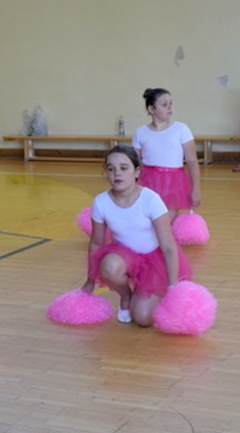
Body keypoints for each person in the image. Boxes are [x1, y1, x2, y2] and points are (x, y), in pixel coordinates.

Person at [82, 145, 191, 326]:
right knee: (109, 266)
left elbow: (168, 246)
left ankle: (155, 293)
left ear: (137, 172)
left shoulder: (151, 200)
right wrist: (90, 280)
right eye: (111, 169)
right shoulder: (101, 202)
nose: (117, 173)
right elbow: (96, 244)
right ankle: (126, 296)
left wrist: (173, 287)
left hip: (154, 260)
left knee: (143, 318)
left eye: (124, 168)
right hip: (125, 257)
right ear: (106, 173)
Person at [131, 88, 201, 218]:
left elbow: (192, 161)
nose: (169, 107)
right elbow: (134, 163)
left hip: (173, 182)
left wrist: (195, 189)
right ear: (151, 109)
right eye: (164, 105)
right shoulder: (140, 132)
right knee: (147, 217)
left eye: (170, 103)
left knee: (167, 220)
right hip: (148, 181)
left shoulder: (181, 129)